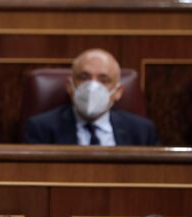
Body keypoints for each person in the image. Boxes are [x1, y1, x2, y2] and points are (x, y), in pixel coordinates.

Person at [23, 49, 159, 146]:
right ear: (69, 86)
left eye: (104, 79)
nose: (92, 86)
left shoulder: (142, 131)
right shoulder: (41, 129)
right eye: (84, 77)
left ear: (118, 92)